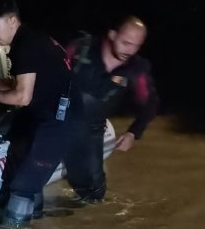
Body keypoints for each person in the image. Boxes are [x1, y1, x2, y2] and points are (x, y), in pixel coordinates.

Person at [0, 0, 76, 226]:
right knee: (20, 163)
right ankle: (33, 226)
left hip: (60, 120)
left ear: (12, 21)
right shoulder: (31, 39)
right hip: (45, 113)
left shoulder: (25, 47)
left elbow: (22, 97)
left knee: (23, 186)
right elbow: (22, 84)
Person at [63, 16, 158, 202]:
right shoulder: (80, 48)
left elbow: (150, 104)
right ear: (113, 35)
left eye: (136, 46)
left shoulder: (136, 70)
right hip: (55, 115)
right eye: (125, 43)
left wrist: (133, 133)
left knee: (94, 195)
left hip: (91, 128)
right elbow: (47, 71)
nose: (129, 50)